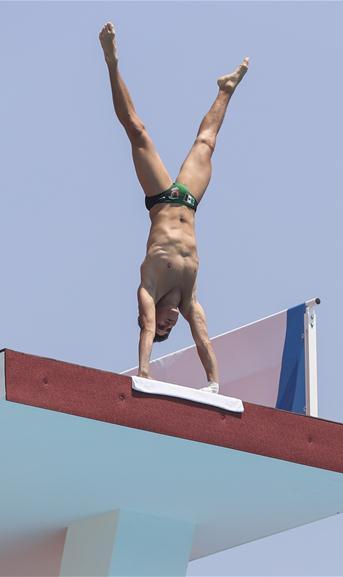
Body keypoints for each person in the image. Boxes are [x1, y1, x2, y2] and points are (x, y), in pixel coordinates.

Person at [99, 22, 249, 393]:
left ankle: (110, 60)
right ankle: (226, 89)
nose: (167, 325)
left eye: (164, 325)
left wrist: (144, 374)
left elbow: (146, 328)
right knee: (207, 142)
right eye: (170, 328)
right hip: (190, 201)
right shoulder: (189, 297)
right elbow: (205, 340)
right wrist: (214, 383)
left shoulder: (148, 290)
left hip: (163, 199)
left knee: (136, 129)